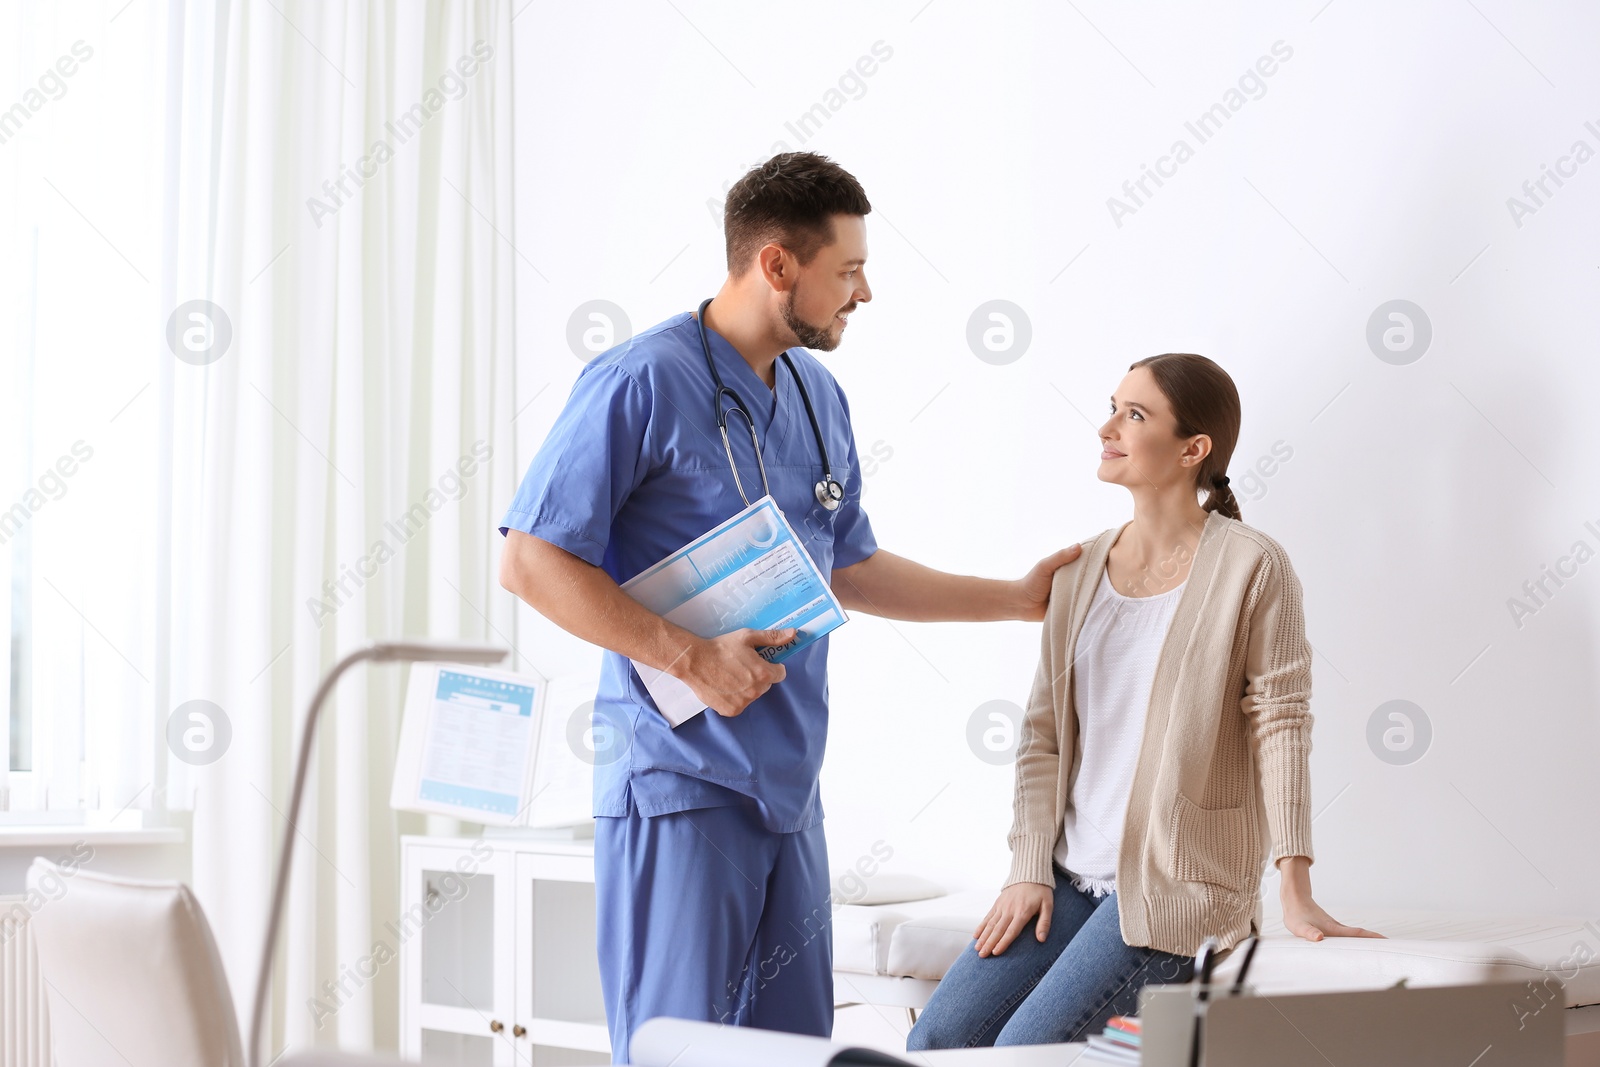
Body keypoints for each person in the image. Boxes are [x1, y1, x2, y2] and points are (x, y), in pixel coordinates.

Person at [497, 151, 1080, 1063]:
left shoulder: (816, 393)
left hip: (787, 791)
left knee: (794, 1051)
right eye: (847, 271)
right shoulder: (638, 382)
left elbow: (849, 565)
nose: (865, 292)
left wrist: (1015, 600)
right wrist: (691, 657)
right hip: (678, 783)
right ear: (778, 265)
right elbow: (532, 561)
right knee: (678, 1052)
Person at [906, 353, 1385, 1050]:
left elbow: (1281, 726)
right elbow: (1040, 736)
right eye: (1113, 407)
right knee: (935, 1043)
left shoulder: (1254, 565)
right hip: (1068, 877)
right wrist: (1028, 867)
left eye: (1135, 414)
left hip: (1180, 888)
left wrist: (1294, 883)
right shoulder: (1077, 571)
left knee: (1019, 1056)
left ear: (1194, 449)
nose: (1108, 427)